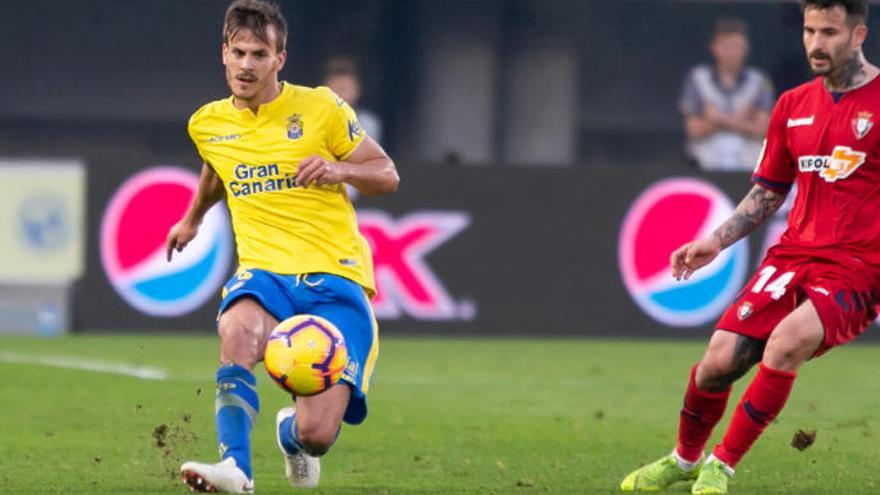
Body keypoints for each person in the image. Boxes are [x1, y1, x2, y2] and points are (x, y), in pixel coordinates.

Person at [622, 1, 878, 493]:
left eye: (829, 31)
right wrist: (714, 242)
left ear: (859, 34)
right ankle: (684, 459)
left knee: (785, 344)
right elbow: (768, 191)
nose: (815, 44)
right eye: (808, 30)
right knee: (718, 362)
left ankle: (722, 465)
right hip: (794, 254)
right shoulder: (792, 105)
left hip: (858, 266)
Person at [165, 0, 399, 492]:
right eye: (239, 52)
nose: (247, 64)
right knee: (236, 332)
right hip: (264, 271)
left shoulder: (321, 108)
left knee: (317, 434)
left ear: (280, 59)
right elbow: (217, 169)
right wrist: (190, 219)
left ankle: (290, 436)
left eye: (260, 54)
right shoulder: (206, 123)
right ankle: (236, 469)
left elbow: (386, 175)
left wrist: (340, 169)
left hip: (335, 277)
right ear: (224, 53)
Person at [680, 18, 774, 171]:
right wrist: (742, 120)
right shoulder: (697, 78)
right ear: (714, 47)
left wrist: (718, 118)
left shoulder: (759, 81)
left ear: (746, 48)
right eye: (727, 47)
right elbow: (693, 130)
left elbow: (763, 129)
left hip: (749, 165)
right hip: (706, 164)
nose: (732, 53)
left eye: (737, 47)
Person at [323, 57, 383, 144]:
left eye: (345, 89)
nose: (341, 96)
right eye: (337, 89)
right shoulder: (311, 121)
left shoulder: (369, 123)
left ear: (357, 91)